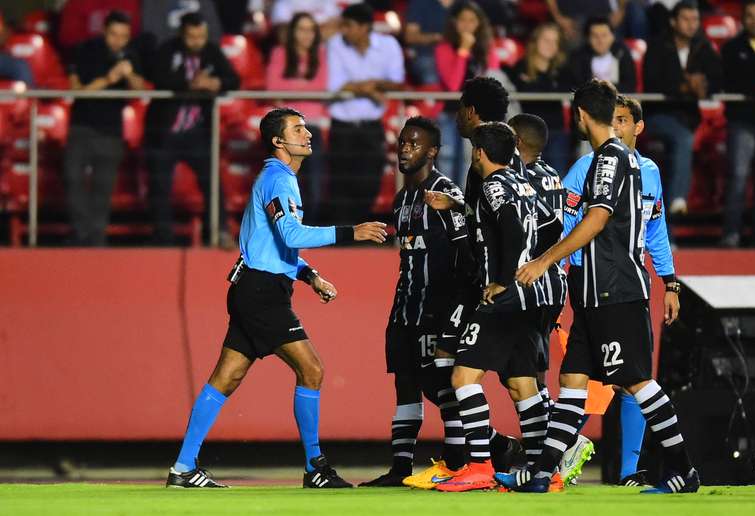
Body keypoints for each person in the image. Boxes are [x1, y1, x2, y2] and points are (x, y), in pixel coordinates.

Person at [165, 108, 388, 489]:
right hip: (262, 294)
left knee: (227, 377)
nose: (308, 134)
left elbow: (269, 245)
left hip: (254, 287)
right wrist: (353, 232)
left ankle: (183, 468)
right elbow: (291, 235)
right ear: (278, 141)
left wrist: (309, 274)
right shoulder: (278, 180)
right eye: (298, 129)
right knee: (312, 369)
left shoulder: (276, 179)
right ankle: (315, 467)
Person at [507, 79, 698, 494]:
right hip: (594, 294)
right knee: (573, 383)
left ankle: (684, 470)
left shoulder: (608, 160)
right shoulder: (612, 161)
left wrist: (545, 260)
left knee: (637, 383)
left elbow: (596, 218)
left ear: (580, 115)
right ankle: (542, 473)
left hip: (614, 290)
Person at [560, 94, 680, 487]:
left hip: (627, 283)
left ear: (638, 127)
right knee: (589, 377)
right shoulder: (584, 167)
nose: (618, 127)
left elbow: (655, 231)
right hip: (587, 283)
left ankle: (629, 471)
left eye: (625, 120)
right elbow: (563, 220)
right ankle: (559, 460)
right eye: (613, 119)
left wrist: (670, 281)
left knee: (630, 377)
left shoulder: (650, 172)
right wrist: (559, 270)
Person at [434, 122, 557, 493]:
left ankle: (479, 465)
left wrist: (503, 278)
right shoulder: (524, 183)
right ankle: (542, 470)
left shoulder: (492, 185)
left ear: (479, 153)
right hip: (533, 297)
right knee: (523, 386)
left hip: (506, 300)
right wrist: (534, 264)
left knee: (462, 378)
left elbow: (510, 226)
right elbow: (550, 227)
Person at [359, 117, 471, 487]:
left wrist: (452, 311)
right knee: (405, 384)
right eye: (403, 142)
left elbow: (466, 255)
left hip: (435, 310)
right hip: (404, 308)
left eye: (415, 143)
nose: (405, 149)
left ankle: (459, 462)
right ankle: (400, 469)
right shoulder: (402, 199)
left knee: (441, 385)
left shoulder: (446, 194)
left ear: (433, 151)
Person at [144, 12, 240, 246]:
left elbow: (233, 79)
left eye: (201, 37)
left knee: (212, 183)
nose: (197, 42)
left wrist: (216, 83)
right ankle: (163, 238)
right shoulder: (167, 50)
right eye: (192, 37)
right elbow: (158, 77)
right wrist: (189, 84)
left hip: (197, 134)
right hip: (165, 132)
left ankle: (217, 232)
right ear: (182, 35)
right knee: (159, 187)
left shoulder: (211, 51)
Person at [63, 11, 146, 246]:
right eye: (114, 34)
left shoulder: (130, 55)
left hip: (110, 132)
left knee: (103, 187)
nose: (118, 40)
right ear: (104, 32)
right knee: (73, 179)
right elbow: (76, 91)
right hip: (81, 127)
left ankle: (97, 239)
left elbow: (141, 91)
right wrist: (109, 79)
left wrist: (129, 75)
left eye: (124, 36)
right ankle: (79, 234)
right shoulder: (85, 51)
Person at [326, 2, 405, 224]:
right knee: (340, 183)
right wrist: (371, 90)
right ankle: (343, 236)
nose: (344, 31)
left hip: (372, 125)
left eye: (349, 26)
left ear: (364, 27)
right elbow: (336, 85)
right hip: (342, 124)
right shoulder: (335, 45)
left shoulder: (389, 45)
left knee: (370, 182)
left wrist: (371, 84)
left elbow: (397, 84)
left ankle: (360, 229)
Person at [507, 113, 567, 405]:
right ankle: (550, 438)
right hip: (553, 282)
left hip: (532, 283)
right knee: (532, 371)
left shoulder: (523, 179)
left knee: (519, 374)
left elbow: (549, 227)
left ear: (516, 142)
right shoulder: (551, 174)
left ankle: (559, 438)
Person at [643, 0, 722, 214]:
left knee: (682, 143)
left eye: (695, 19)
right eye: (686, 19)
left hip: (688, 118)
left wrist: (704, 84)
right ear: (673, 22)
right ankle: (678, 198)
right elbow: (652, 81)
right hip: (659, 116)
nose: (691, 24)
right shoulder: (658, 45)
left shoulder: (702, 46)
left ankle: (670, 226)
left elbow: (720, 77)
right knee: (683, 138)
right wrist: (684, 86)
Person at [720, 0, 755, 248]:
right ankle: (731, 235)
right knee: (738, 178)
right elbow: (730, 80)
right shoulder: (732, 48)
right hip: (742, 122)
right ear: (743, 19)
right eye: (750, 15)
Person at [267, 12, 328, 223]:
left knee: (313, 183)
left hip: (313, 127)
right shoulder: (279, 53)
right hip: (285, 128)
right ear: (292, 32)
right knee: (284, 182)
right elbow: (273, 87)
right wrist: (305, 87)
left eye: (310, 29)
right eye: (301, 29)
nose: (306, 35)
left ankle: (308, 227)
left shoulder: (321, 54)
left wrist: (291, 88)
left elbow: (323, 86)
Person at [435, 1, 499, 186]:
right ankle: (446, 204)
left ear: (479, 23)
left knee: (469, 160)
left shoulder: (488, 50)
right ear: (454, 22)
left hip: (477, 117)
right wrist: (463, 51)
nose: (467, 25)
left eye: (472, 20)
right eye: (462, 20)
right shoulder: (444, 49)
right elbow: (454, 84)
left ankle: (466, 206)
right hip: (450, 113)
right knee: (446, 159)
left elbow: (492, 83)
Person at [502, 23, 572, 174]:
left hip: (555, 132)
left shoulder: (563, 70)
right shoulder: (520, 68)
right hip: (527, 135)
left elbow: (568, 88)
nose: (551, 45)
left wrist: (534, 85)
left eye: (555, 41)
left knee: (555, 178)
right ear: (535, 42)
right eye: (546, 40)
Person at [568, 17, 637, 93]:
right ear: (588, 38)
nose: (600, 41)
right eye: (595, 36)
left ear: (612, 37)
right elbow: (576, 86)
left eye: (604, 35)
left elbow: (630, 85)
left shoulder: (622, 53)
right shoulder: (578, 56)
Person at [403, 0, 452, 85]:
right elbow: (410, 36)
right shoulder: (420, 2)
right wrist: (436, 38)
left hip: (458, 54)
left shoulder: (465, 3)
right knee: (431, 75)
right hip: (428, 54)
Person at [270, 0, 341, 42]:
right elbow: (283, 34)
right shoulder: (283, 3)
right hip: (292, 55)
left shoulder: (327, 2)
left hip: (323, 51)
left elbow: (334, 27)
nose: (308, 34)